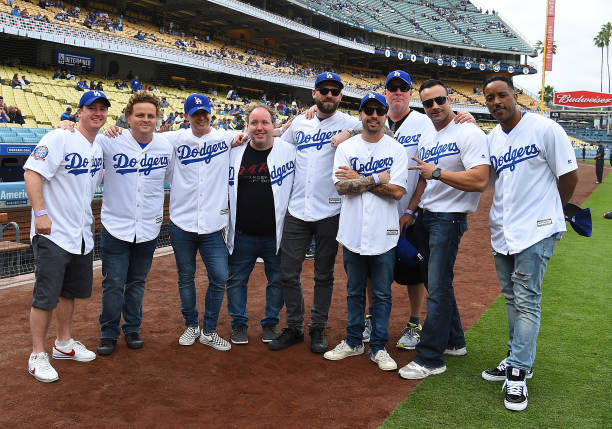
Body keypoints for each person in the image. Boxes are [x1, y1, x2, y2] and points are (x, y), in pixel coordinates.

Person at [331, 70, 473, 349]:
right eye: (392, 88)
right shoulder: (368, 123)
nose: (397, 92)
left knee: (414, 270)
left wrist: (464, 116)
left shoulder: (424, 121)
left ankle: (413, 322)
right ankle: (370, 319)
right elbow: (349, 123)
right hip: (373, 209)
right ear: (385, 93)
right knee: (371, 269)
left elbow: (448, 126)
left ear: (410, 93)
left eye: (403, 88)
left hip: (411, 208)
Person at [480, 76, 578, 411]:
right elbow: (487, 180)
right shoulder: (492, 138)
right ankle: (517, 357)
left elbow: (569, 177)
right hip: (503, 230)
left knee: (526, 301)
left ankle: (519, 374)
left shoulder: (544, 128)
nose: (497, 103)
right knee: (511, 297)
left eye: (502, 95)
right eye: (490, 98)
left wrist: (553, 213)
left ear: (515, 95)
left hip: (536, 231)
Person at [398, 79, 490, 380]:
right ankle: (454, 341)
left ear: (449, 99)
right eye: (428, 103)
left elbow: (479, 180)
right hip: (425, 215)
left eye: (439, 100)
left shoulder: (469, 131)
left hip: (449, 219)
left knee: (437, 286)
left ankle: (430, 358)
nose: (435, 107)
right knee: (436, 284)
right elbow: (423, 180)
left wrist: (437, 172)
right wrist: (412, 209)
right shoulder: (428, 136)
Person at [268, 72, 361, 353]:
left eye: (334, 91)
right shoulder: (300, 122)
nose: (329, 95)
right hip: (296, 208)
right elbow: (279, 140)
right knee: (287, 272)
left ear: (340, 96)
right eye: (324, 90)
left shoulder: (348, 122)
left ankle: (317, 328)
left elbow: (383, 129)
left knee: (323, 275)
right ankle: (295, 327)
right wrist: (249, 132)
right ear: (315, 94)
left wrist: (352, 133)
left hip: (330, 210)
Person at [23, 90, 108, 383]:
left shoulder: (97, 147)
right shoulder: (59, 137)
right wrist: (39, 213)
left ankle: (63, 343)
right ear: (79, 112)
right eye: (91, 108)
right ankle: (37, 353)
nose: (97, 113)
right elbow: (32, 172)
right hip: (53, 232)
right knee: (45, 295)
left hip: (81, 232)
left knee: (68, 293)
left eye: (102, 109)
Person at [324, 92, 407, 371]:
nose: (373, 115)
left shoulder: (395, 149)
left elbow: (396, 192)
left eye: (379, 111)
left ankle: (379, 346)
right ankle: (353, 341)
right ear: (360, 115)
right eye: (368, 110)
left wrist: (359, 179)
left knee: (382, 293)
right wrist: (373, 178)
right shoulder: (346, 148)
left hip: (384, 234)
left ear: (385, 115)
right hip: (352, 232)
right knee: (354, 291)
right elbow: (340, 187)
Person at [95, 92, 174, 356]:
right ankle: (108, 332)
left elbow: (175, 178)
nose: (145, 119)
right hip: (116, 225)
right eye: (139, 115)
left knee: (137, 282)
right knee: (113, 282)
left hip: (149, 226)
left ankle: (132, 328)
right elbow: (81, 140)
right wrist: (67, 125)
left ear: (157, 119)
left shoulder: (165, 146)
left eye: (151, 115)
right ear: (128, 117)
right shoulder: (111, 142)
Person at [226, 103, 295, 345]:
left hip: (275, 233)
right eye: (254, 123)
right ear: (247, 125)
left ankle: (270, 324)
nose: (259, 127)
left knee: (277, 280)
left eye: (264, 122)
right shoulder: (234, 149)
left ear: (273, 124)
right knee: (236, 280)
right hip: (242, 232)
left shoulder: (289, 150)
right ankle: (239, 324)